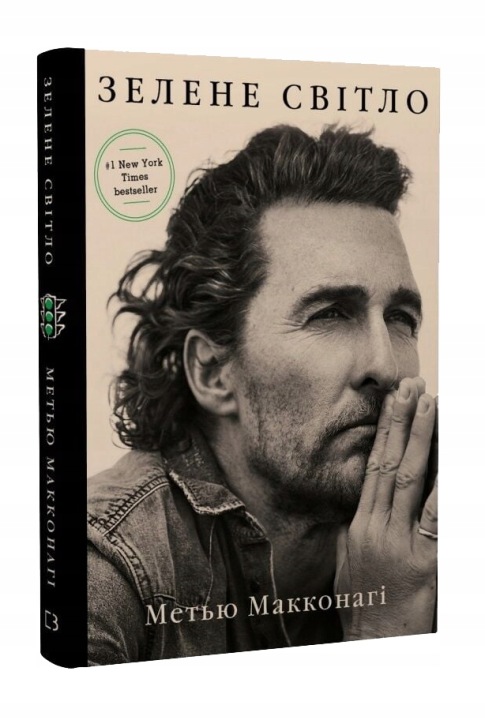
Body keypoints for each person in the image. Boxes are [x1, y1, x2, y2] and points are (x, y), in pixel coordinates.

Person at [87, 125, 437, 665]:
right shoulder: (105, 568)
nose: (387, 367)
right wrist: (382, 636)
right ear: (212, 372)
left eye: (401, 318)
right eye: (329, 314)